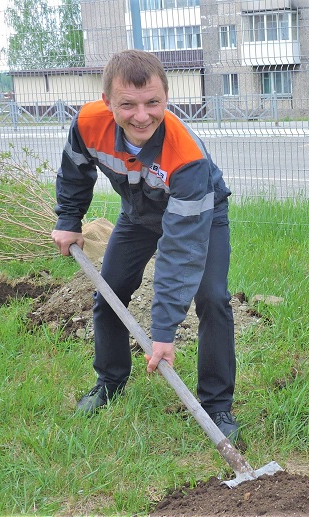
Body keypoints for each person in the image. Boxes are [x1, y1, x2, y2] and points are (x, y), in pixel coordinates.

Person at [51, 50, 239, 441]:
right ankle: (110, 381)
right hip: (138, 214)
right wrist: (69, 221)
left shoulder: (187, 157)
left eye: (153, 103)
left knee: (212, 298)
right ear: (107, 102)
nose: (142, 116)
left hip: (200, 215)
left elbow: (180, 252)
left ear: (166, 98)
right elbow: (75, 171)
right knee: (110, 292)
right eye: (128, 104)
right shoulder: (88, 124)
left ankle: (216, 406)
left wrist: (163, 332)